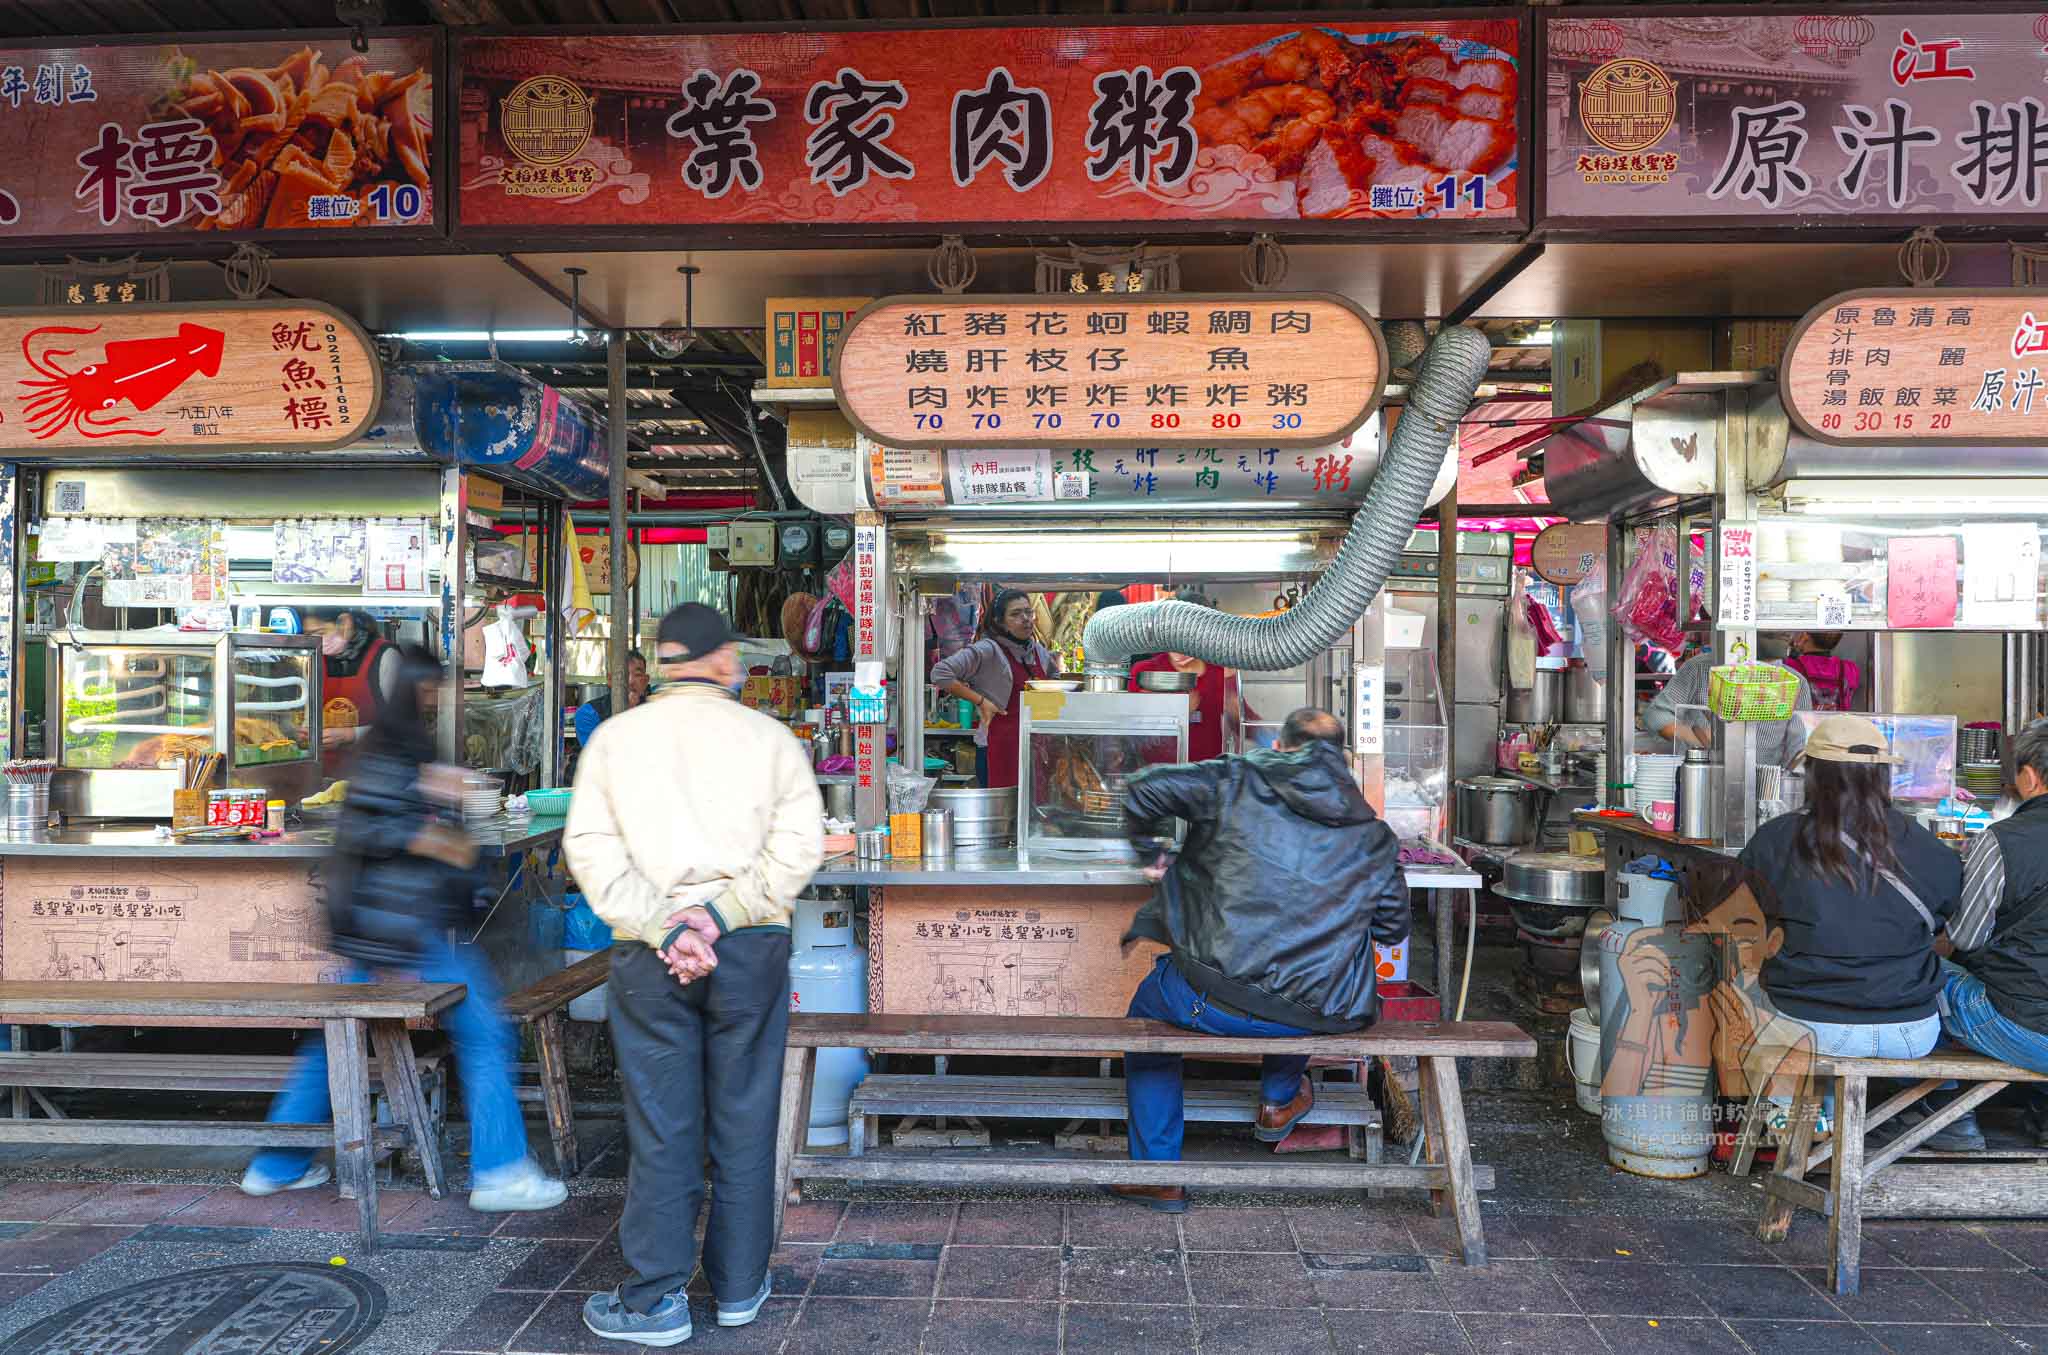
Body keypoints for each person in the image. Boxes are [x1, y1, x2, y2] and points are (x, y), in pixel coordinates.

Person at [565, 603, 824, 1347]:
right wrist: (724, 911)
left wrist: (670, 925)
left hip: (651, 952)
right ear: (721, 661)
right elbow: (800, 844)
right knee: (745, 1115)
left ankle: (655, 1301)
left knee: (662, 1122)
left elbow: (591, 850)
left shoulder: (615, 740)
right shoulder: (770, 738)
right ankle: (740, 1286)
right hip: (750, 947)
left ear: (661, 661)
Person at [241, 645, 567, 1213]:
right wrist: (451, 830)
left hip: (371, 928)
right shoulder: (397, 752)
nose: (446, 698)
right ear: (420, 690)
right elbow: (388, 831)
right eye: (439, 689)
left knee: (334, 1041)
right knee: (486, 1034)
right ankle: (501, 1169)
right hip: (407, 930)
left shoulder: (385, 749)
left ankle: (276, 1163)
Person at [1108, 707, 1408, 1212]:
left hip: (1211, 998)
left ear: (1281, 748)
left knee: (1147, 1019)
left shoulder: (1234, 779)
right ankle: (1278, 1099)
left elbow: (1141, 789)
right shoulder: (1375, 837)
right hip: (1318, 1015)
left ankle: (1159, 1174)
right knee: (1301, 985)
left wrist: (1151, 856)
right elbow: (1392, 929)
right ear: (1343, 761)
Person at [1734, 715, 1961, 1130]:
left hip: (1814, 1026)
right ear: (1882, 777)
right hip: (1911, 1032)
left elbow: (1741, 925)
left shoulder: (1776, 839)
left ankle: (1796, 1123)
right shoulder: (1930, 846)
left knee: (1740, 993)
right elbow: (1948, 929)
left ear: (1813, 775)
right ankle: (1843, 1124)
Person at [1937, 718, 2048, 1147]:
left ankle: (1945, 1114)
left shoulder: (2002, 839)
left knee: (1921, 972)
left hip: (2025, 1029)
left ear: (2030, 775)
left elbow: (1965, 938)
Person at [930, 588, 1058, 789]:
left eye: (1028, 612)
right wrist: (981, 701)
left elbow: (1055, 680)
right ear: (999, 621)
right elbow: (940, 673)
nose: (1026, 619)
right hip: (999, 749)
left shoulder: (1037, 651)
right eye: (1016, 614)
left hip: (1035, 749)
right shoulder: (988, 649)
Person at [1126, 592, 1255, 761]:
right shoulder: (1145, 673)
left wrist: (1232, 693)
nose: (1179, 647)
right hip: (1156, 781)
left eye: (1187, 638)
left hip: (1207, 779)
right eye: (1172, 636)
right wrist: (1175, 713)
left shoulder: (1219, 671)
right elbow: (1131, 737)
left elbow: (1248, 727)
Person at [1645, 646, 1813, 768]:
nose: (1785, 633)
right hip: (1701, 781)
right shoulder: (1699, 668)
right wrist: (1692, 735)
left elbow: (1799, 749)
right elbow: (1656, 716)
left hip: (1764, 791)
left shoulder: (1795, 683)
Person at [308, 607, 400, 776]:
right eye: (309, 635)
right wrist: (306, 732)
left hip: (373, 774)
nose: (315, 640)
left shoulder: (385, 656)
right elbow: (308, 711)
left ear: (345, 623)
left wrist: (350, 734)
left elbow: (400, 726)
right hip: (325, 774)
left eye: (320, 631)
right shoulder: (315, 659)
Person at [574, 651, 649, 746]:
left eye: (637, 675)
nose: (630, 681)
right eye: (623, 674)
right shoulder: (588, 713)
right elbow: (600, 755)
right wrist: (627, 712)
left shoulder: (655, 711)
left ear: (646, 680)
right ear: (610, 680)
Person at [1782, 632, 1861, 713]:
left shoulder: (1789, 667)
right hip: (1838, 724)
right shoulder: (1849, 669)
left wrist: (1791, 647)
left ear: (1804, 636)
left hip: (1803, 725)